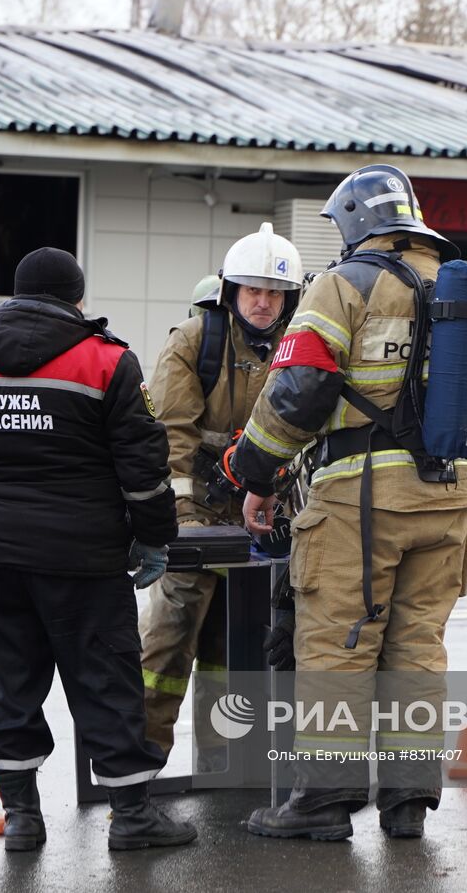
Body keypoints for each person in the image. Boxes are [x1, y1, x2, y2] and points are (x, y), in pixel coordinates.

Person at [228, 165, 467, 841]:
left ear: (359, 220)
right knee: (418, 648)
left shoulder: (345, 285)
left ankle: (323, 803)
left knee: (340, 642)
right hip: (449, 498)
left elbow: (298, 390)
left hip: (358, 501)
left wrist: (255, 473)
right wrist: (465, 473)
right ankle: (407, 803)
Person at [0, 247, 196, 852]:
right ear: (77, 299)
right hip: (84, 561)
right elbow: (145, 468)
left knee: (7, 682)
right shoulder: (107, 362)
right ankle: (133, 818)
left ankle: (21, 819)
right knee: (106, 682)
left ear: (14, 295)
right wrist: (153, 536)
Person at [138, 224, 303, 767]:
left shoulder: (301, 343)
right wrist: (184, 519)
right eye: (252, 290)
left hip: (271, 515)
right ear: (230, 291)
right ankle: (136, 767)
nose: (263, 302)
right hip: (202, 513)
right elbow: (172, 435)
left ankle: (226, 762)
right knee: (169, 635)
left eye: (275, 292)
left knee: (237, 646)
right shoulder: (195, 340)